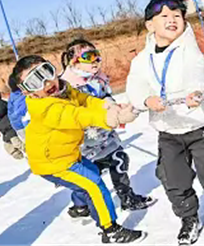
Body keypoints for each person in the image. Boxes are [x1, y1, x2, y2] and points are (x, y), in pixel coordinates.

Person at [126, 0, 204, 245]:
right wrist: (147, 100)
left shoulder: (188, 49)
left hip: (200, 124)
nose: (172, 20)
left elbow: (197, 71)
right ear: (150, 25)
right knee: (172, 177)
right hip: (168, 129)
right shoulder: (141, 60)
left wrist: (196, 92)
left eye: (177, 15)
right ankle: (188, 218)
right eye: (164, 16)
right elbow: (136, 87)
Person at [9, 55, 145, 244]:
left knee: (90, 175)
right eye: (34, 81)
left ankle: (79, 207)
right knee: (94, 185)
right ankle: (110, 230)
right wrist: (112, 118)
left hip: (67, 154)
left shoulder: (64, 89)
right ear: (28, 92)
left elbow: (85, 101)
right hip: (52, 163)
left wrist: (108, 105)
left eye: (46, 72)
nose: (46, 82)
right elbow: (78, 116)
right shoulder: (45, 108)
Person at [60, 39, 154, 215]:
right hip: (84, 141)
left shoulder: (98, 79)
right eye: (88, 56)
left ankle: (127, 197)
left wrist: (115, 108)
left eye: (97, 55)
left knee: (119, 160)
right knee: (89, 175)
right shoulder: (67, 87)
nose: (95, 60)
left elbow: (106, 97)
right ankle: (80, 205)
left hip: (105, 134)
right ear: (74, 61)